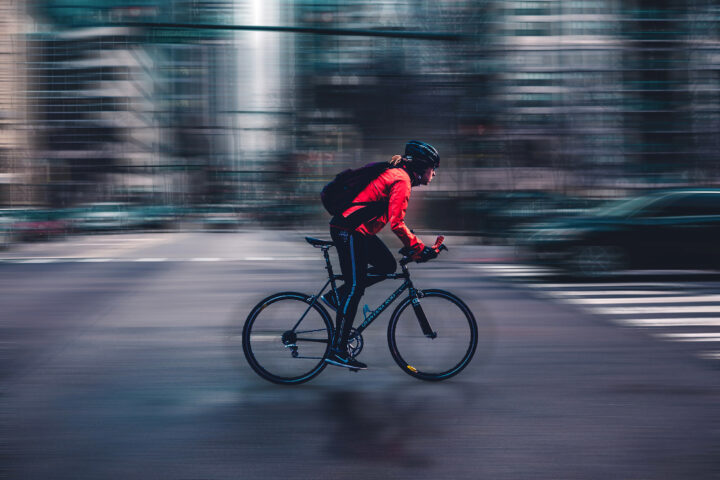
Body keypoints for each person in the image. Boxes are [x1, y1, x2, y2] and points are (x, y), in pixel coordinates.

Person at [323, 140, 440, 370]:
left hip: (357, 230)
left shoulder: (399, 176)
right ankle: (338, 349)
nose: (434, 173)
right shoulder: (402, 179)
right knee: (355, 288)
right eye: (433, 168)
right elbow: (396, 223)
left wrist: (413, 245)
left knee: (387, 266)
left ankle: (339, 296)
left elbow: (391, 219)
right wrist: (417, 247)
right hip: (348, 229)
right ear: (422, 166)